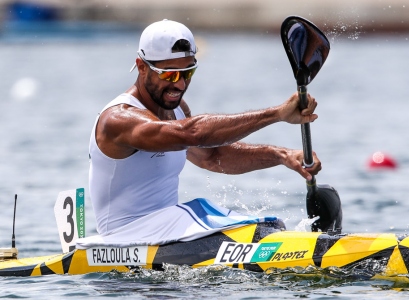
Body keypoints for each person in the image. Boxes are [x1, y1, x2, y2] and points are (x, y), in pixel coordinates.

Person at [88, 19, 321, 237]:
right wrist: (276, 114)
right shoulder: (117, 120)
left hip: (168, 230)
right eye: (169, 74)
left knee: (269, 228)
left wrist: (282, 155)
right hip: (125, 237)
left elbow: (212, 155)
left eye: (188, 72)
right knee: (245, 230)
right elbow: (193, 133)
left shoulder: (175, 109)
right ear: (141, 67)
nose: (179, 84)